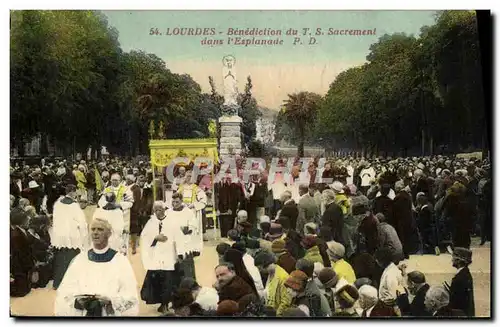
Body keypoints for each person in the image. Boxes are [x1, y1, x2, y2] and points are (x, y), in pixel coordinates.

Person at [54, 219, 139, 316]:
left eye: (100, 229)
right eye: (93, 229)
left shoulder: (120, 261)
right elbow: (66, 289)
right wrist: (77, 301)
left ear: (109, 234)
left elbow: (130, 293)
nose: (95, 233)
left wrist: (111, 301)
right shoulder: (81, 259)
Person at [140, 201, 185, 313]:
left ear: (164, 209)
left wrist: (180, 253)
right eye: (155, 210)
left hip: (168, 256)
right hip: (155, 257)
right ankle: (161, 303)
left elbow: (179, 237)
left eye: (160, 209)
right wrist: (155, 237)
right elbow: (144, 236)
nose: (158, 212)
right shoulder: (151, 222)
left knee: (168, 282)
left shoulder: (172, 222)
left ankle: (166, 303)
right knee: (157, 282)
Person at [51, 184, 88, 290]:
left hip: (60, 236)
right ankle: (70, 285)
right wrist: (84, 234)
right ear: (72, 192)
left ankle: (58, 283)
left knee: (60, 260)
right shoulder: (74, 206)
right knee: (72, 260)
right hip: (72, 236)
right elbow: (81, 222)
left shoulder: (57, 204)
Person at [444, 247, 475, 317]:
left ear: (459, 261)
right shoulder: (465, 273)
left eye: (453, 257)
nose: (452, 260)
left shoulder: (459, 278)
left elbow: (456, 301)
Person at [10, 210, 34, 297]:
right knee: (21, 290)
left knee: (25, 287)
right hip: (19, 262)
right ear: (21, 221)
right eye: (27, 221)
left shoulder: (22, 231)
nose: (28, 222)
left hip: (24, 260)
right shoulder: (15, 234)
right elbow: (19, 251)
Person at [375, 247, 404, 315]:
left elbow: (393, 297)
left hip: (389, 309)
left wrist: (380, 303)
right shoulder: (390, 268)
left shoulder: (390, 274)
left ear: (381, 261)